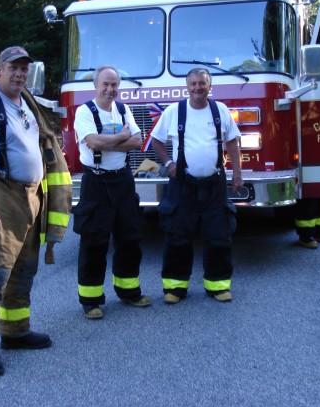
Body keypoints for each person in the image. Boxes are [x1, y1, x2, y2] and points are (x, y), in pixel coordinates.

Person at [0, 46, 72, 376]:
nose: (20, 73)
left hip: (30, 198)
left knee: (23, 270)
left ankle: (15, 332)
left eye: (24, 68)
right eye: (13, 67)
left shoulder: (27, 103)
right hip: (0, 197)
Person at [151, 68, 242, 304]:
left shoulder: (220, 110)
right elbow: (156, 141)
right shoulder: (174, 111)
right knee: (177, 234)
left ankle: (218, 285)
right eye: (193, 84)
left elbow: (232, 142)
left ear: (209, 86)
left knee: (218, 235)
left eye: (202, 83)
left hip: (215, 184)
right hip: (183, 185)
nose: (197, 88)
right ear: (187, 86)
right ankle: (175, 288)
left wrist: (237, 174)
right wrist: (168, 163)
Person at [73, 65, 151, 319]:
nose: (110, 89)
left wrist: (109, 141)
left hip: (123, 181)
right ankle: (91, 300)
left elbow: (138, 142)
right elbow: (92, 142)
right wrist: (121, 137)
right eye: (105, 84)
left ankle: (129, 291)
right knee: (94, 240)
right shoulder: (84, 112)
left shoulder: (122, 108)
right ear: (95, 86)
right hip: (96, 183)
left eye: (114, 85)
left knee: (130, 237)